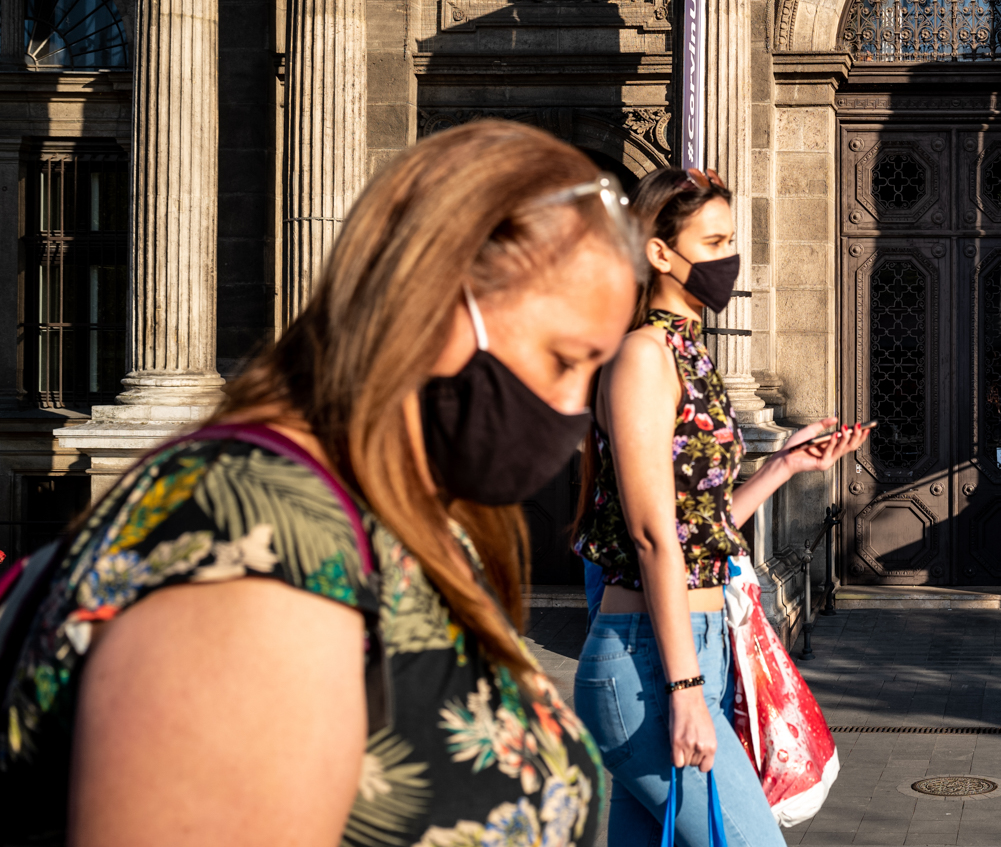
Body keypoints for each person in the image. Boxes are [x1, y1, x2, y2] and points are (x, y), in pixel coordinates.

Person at [1, 120, 641, 846]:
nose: (576, 410)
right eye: (565, 360)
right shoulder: (250, 546)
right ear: (434, 297)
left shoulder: (406, 519)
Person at [571, 166, 868, 847]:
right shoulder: (644, 356)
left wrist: (788, 461)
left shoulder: (688, 353)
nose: (729, 258)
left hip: (691, 650)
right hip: (650, 663)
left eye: (733, 239)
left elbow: (698, 528)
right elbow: (651, 538)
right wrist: (682, 689)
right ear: (659, 253)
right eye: (714, 241)